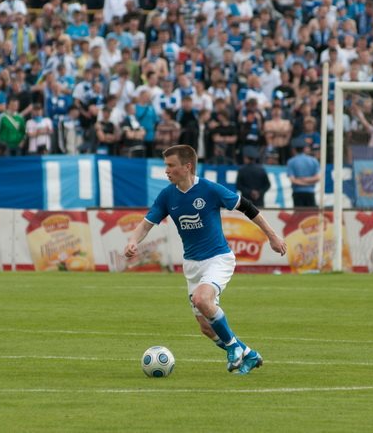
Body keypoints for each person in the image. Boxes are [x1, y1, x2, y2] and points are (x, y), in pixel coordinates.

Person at [124, 145, 287, 375]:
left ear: (187, 166)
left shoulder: (209, 189)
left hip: (218, 258)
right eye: (166, 166)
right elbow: (145, 225)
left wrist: (272, 236)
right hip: (192, 265)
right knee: (207, 328)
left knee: (202, 299)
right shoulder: (167, 195)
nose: (166, 171)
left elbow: (248, 207)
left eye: (171, 165)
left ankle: (233, 348)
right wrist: (133, 241)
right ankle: (248, 353)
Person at [286, 139, 320, 207]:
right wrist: (308, 182)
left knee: (299, 213)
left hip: (297, 192)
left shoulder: (291, 161)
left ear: (294, 150)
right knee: (310, 213)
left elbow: (293, 180)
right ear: (304, 149)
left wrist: (301, 181)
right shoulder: (313, 160)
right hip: (310, 192)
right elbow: (317, 178)